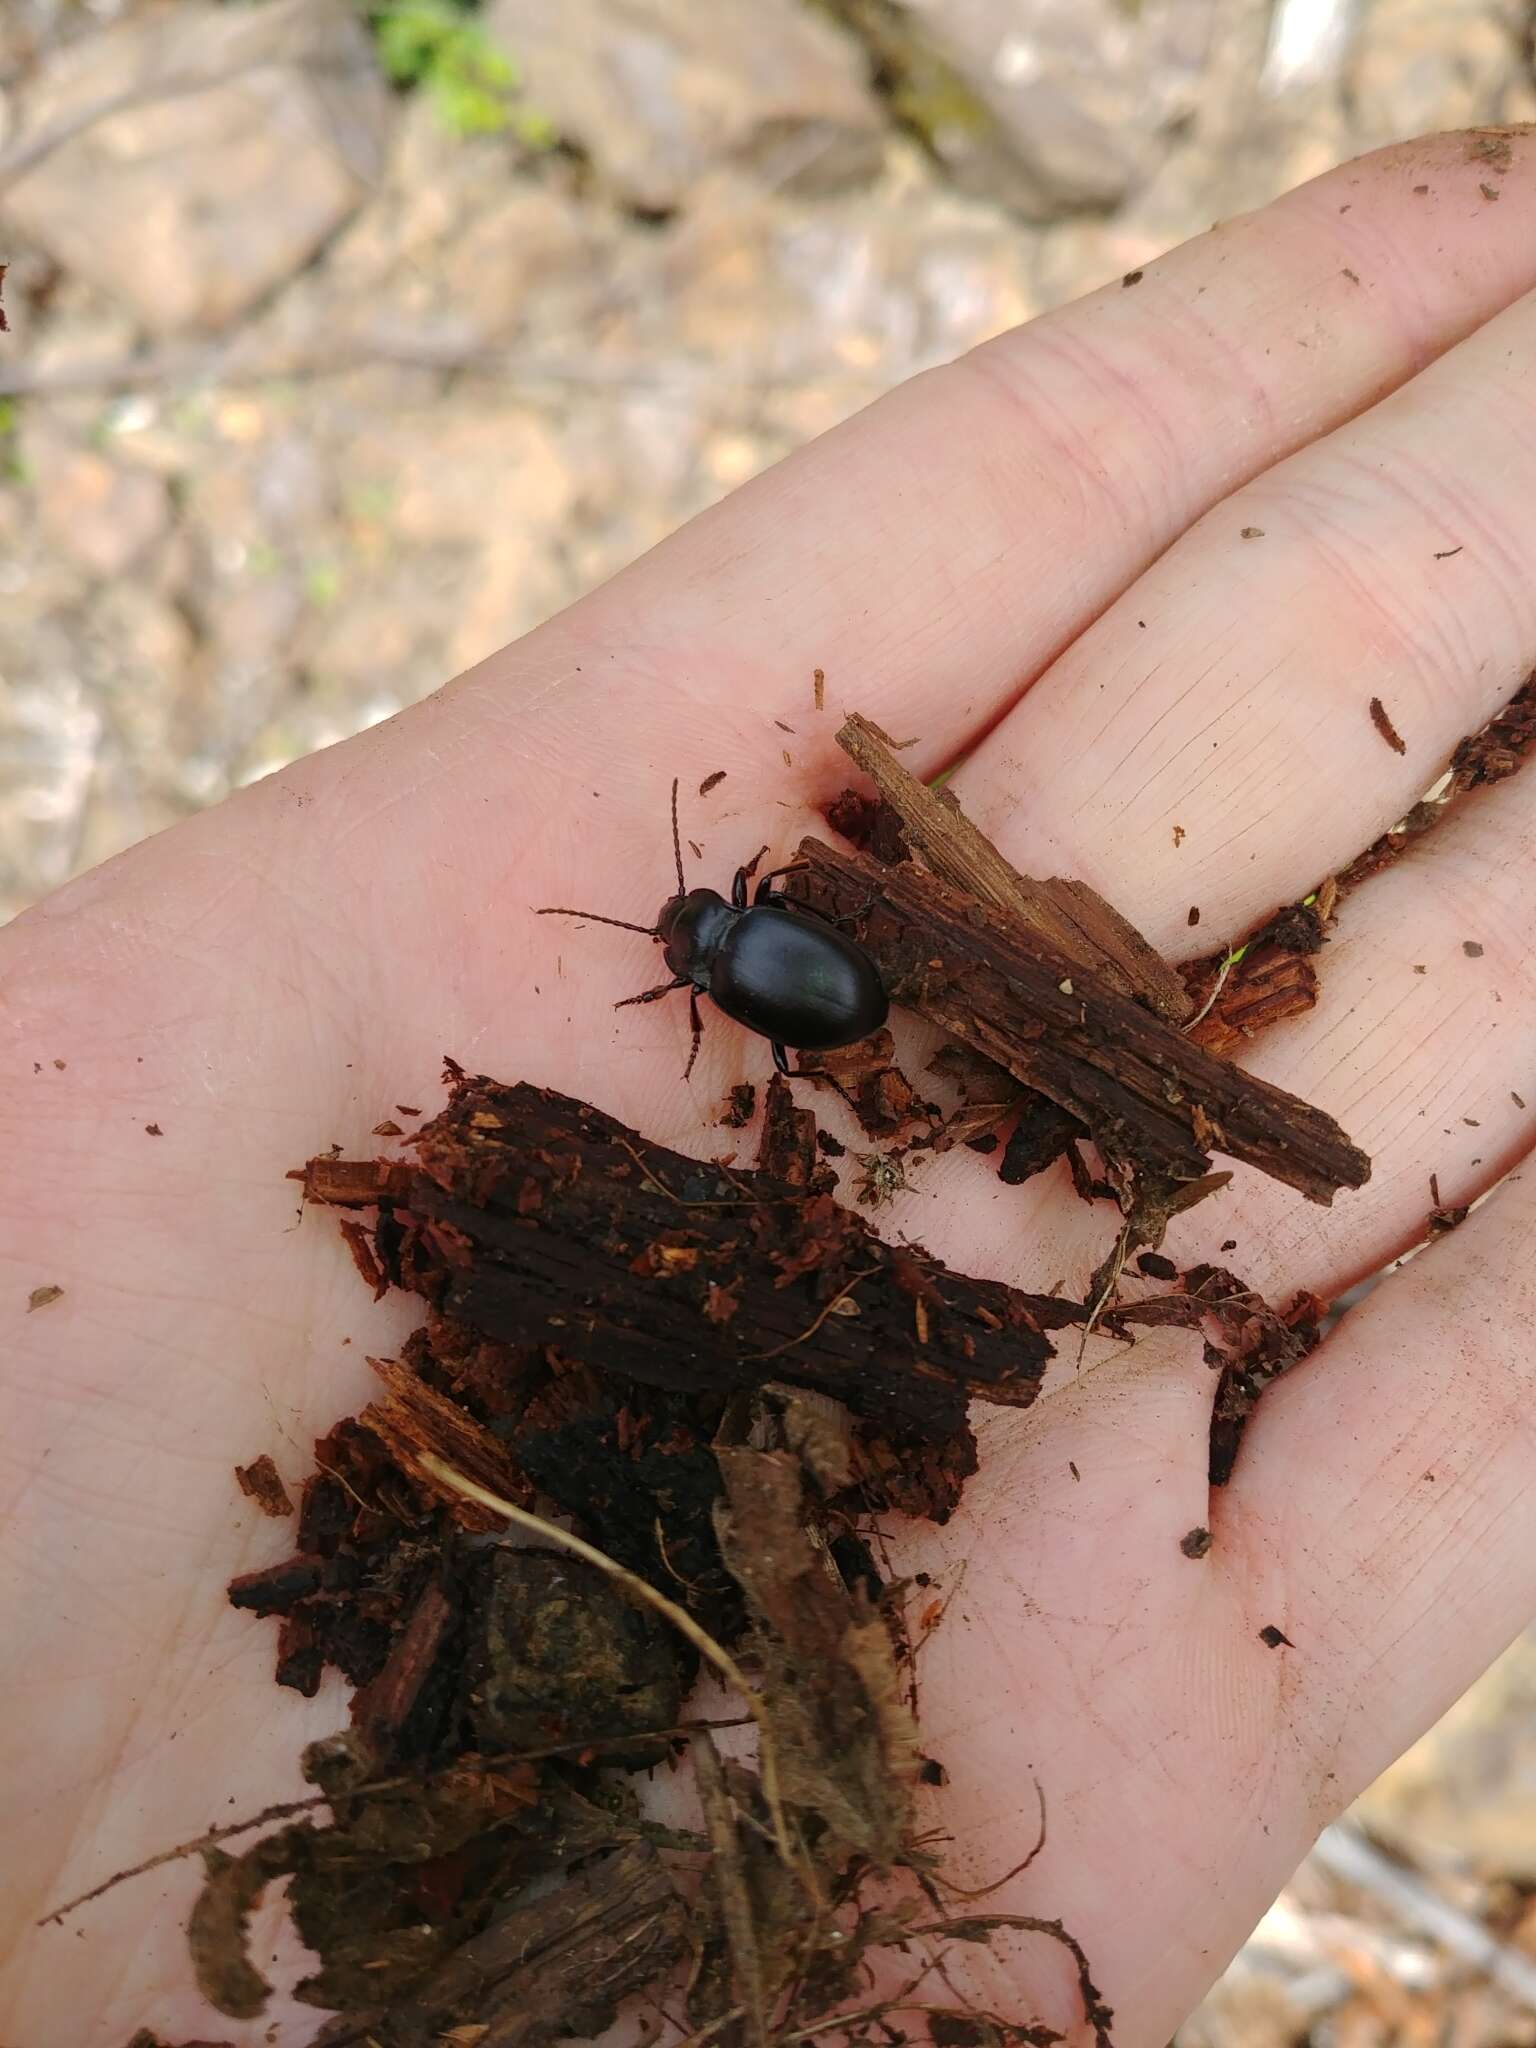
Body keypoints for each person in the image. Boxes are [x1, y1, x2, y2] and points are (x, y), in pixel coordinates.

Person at [5, 128, 1536, 2047]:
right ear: (715, 932)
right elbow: (812, 998)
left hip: (828, 993)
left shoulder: (724, 959)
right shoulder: (736, 955)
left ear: (704, 931)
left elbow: (797, 995)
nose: (686, 934)